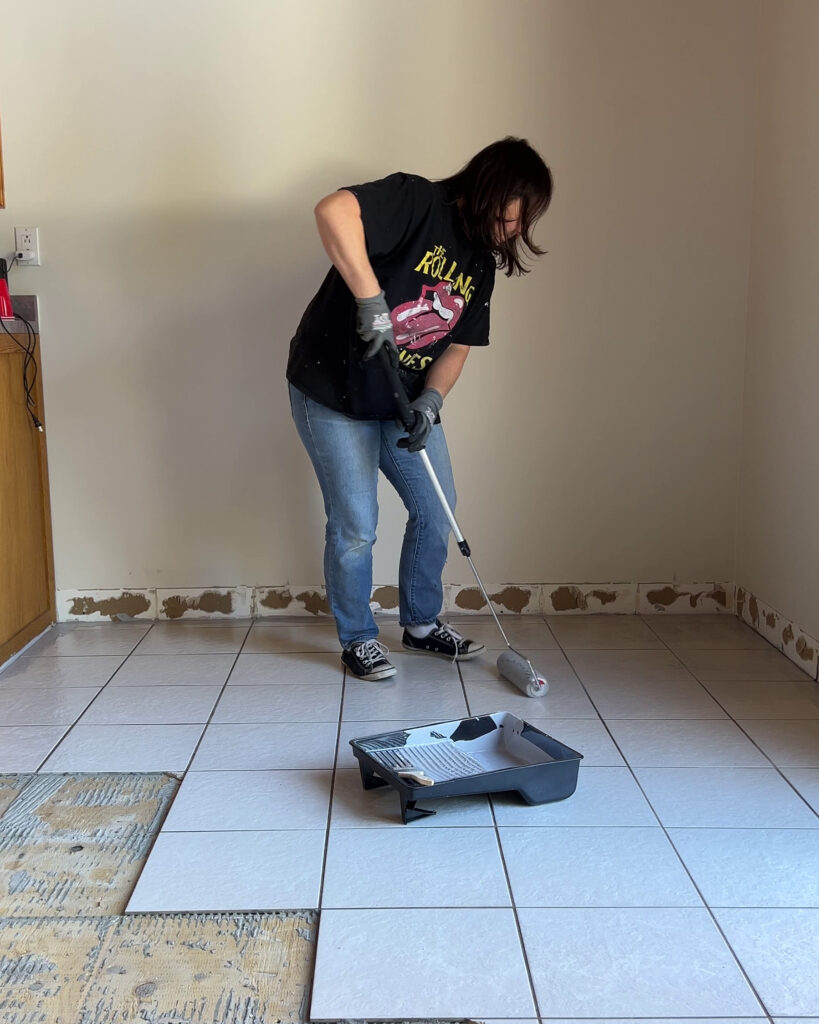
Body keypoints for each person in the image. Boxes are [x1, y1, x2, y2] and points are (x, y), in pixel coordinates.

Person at [287, 137, 553, 681]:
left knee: (437, 511)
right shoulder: (416, 201)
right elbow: (332, 210)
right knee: (356, 525)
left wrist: (431, 402)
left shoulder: (481, 263)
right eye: (509, 219)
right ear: (488, 191)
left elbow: (456, 347)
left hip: (401, 401)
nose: (513, 233)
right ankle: (358, 638)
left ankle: (421, 625)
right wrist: (369, 298)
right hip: (332, 390)